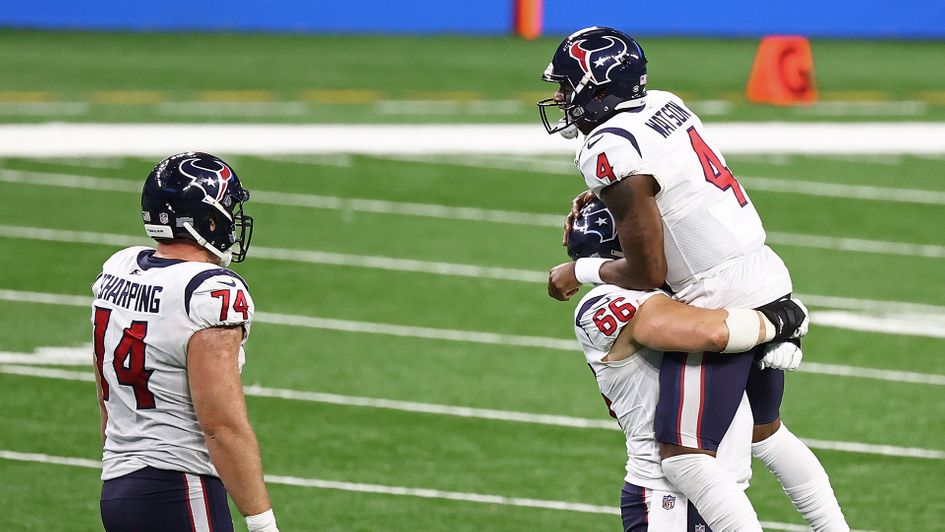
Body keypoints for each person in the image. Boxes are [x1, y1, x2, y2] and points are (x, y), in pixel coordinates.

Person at [540, 27, 848, 531]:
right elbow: (673, 181)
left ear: (598, 87)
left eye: (568, 84)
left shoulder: (609, 148)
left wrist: (579, 269)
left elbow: (648, 271)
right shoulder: (662, 103)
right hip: (764, 269)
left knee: (682, 455)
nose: (560, 97)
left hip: (717, 294)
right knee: (765, 433)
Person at [568, 200, 807, 531]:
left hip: (713, 484)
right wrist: (781, 320)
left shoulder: (668, 294)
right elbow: (712, 332)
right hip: (666, 494)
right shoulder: (603, 304)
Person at [91, 152, 279, 532]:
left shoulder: (119, 269)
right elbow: (221, 425)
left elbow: (105, 396)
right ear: (207, 219)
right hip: (179, 487)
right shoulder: (208, 291)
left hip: (119, 487)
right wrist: (263, 525)